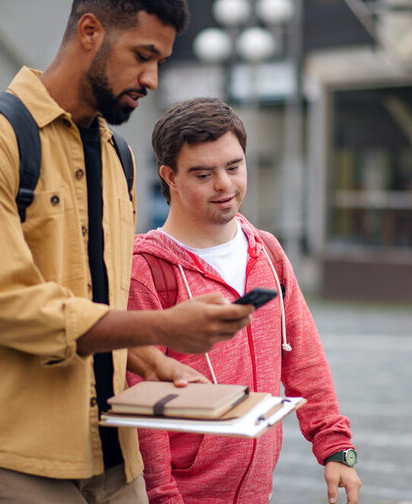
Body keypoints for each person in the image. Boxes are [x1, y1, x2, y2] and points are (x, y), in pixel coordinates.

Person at [0, 3, 254, 503]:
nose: (152, 78)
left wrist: (149, 360)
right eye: (143, 55)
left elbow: (93, 297)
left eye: (160, 60)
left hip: (113, 448)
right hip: (6, 450)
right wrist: (162, 327)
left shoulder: (117, 155)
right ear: (90, 31)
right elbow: (11, 308)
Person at [127, 97, 362, 504]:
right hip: (182, 493)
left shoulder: (266, 251)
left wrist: (336, 447)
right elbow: (143, 403)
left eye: (233, 167)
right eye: (203, 174)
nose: (224, 185)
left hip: (256, 491)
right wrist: (163, 495)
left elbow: (303, 356)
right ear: (169, 177)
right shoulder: (146, 269)